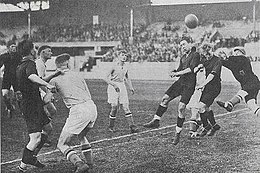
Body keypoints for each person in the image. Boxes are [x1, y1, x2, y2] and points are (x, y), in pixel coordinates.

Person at [143, 39, 200, 145]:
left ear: (189, 45)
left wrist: (177, 73)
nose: (182, 46)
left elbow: (191, 69)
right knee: (165, 98)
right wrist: (173, 72)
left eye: (184, 44)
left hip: (189, 85)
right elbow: (179, 69)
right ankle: (156, 120)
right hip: (181, 82)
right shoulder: (183, 57)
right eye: (181, 45)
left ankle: (177, 134)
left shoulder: (195, 54)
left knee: (181, 108)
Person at [49, 53, 97, 173]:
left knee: (62, 144)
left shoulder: (54, 79)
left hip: (78, 110)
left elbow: (46, 99)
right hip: (91, 107)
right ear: (67, 63)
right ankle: (90, 163)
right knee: (81, 135)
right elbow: (88, 93)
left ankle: (79, 164)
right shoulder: (78, 75)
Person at [16, 40, 55, 172]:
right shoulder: (29, 64)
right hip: (30, 106)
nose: (35, 50)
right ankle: (22, 166)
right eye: (34, 48)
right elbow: (32, 76)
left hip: (34, 104)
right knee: (35, 137)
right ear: (30, 50)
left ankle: (32, 156)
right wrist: (48, 86)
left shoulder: (21, 64)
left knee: (48, 128)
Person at [216, 47, 260, 117]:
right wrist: (219, 58)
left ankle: (230, 104)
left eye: (238, 52)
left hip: (252, 82)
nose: (236, 53)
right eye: (235, 52)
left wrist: (227, 56)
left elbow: (236, 59)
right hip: (249, 85)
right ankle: (230, 105)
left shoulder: (244, 59)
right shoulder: (233, 64)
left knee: (242, 92)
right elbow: (222, 62)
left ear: (242, 53)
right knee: (251, 104)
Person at [105, 50, 138, 133]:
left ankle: (132, 127)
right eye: (122, 55)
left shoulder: (126, 66)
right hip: (113, 86)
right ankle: (111, 127)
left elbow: (127, 77)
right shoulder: (113, 66)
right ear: (118, 56)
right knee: (114, 107)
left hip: (122, 85)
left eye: (125, 55)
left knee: (126, 107)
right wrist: (113, 85)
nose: (124, 57)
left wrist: (130, 87)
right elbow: (105, 77)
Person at [35, 45, 62, 147]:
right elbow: (40, 81)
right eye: (49, 51)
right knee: (47, 112)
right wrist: (54, 75)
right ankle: (41, 136)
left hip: (41, 91)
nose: (51, 53)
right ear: (42, 53)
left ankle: (43, 132)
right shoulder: (39, 64)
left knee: (52, 111)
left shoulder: (42, 64)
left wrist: (48, 93)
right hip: (36, 93)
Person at [195, 43, 222, 137]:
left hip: (215, 87)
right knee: (205, 107)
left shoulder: (217, 60)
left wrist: (202, 84)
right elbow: (200, 65)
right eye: (205, 54)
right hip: (207, 87)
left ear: (211, 50)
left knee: (200, 106)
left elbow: (212, 75)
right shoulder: (204, 59)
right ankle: (214, 125)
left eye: (208, 53)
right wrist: (197, 67)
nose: (206, 56)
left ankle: (206, 126)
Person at [0, 40, 22, 118]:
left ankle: (22, 111)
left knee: (19, 96)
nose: (14, 48)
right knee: (5, 95)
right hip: (7, 78)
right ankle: (10, 108)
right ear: (8, 47)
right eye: (12, 46)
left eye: (15, 46)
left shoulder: (19, 56)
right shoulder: (3, 56)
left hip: (16, 78)